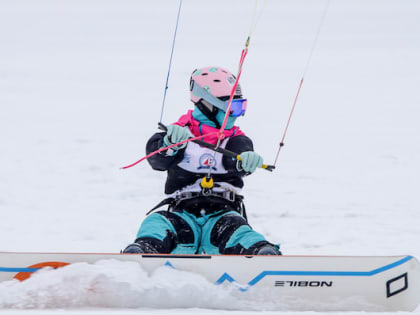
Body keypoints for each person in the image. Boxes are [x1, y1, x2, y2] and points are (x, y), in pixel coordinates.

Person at [123, 66, 280, 255]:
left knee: (238, 230)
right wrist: (168, 144)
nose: (237, 114)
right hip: (181, 215)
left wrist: (245, 161)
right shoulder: (178, 134)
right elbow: (157, 161)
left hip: (222, 216)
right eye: (233, 107)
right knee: (156, 222)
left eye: (241, 107)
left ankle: (262, 254)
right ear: (207, 105)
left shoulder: (236, 140)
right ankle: (142, 253)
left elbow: (238, 162)